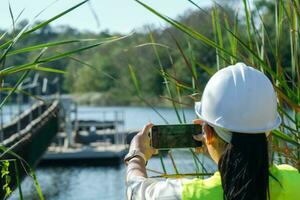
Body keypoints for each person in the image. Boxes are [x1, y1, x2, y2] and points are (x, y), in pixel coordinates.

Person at [124, 62, 300, 200]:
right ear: (268, 131)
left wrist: (136, 155)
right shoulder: (293, 181)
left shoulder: (191, 195)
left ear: (208, 134)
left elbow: (135, 191)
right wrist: (221, 152)